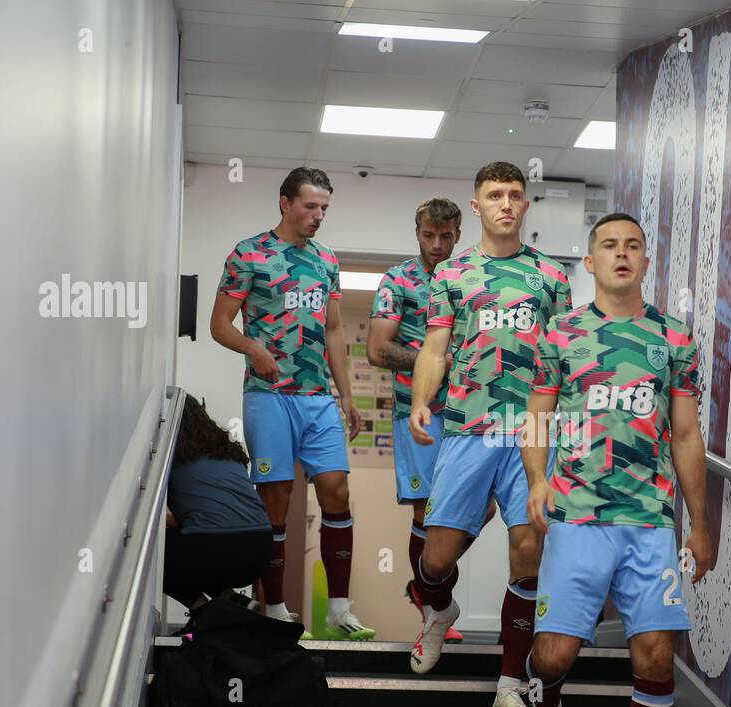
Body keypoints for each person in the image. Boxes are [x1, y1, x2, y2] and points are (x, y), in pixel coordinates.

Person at [517, 212, 713, 707]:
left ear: (646, 263)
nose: (621, 254)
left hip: (648, 525)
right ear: (591, 262)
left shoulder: (674, 339)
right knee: (554, 657)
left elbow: (684, 434)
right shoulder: (559, 333)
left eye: (633, 246)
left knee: (657, 658)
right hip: (577, 517)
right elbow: (538, 418)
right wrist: (539, 482)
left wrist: (699, 525)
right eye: (609, 245)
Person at [407, 161, 572, 707]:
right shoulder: (452, 274)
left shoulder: (551, 277)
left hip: (532, 430)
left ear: (526, 206)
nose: (506, 203)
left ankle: (509, 684)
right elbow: (434, 348)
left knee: (528, 557)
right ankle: (437, 609)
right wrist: (421, 400)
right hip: (470, 428)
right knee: (436, 557)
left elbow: (563, 357)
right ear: (476, 206)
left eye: (516, 195)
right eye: (495, 195)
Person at [210, 167, 375, 641]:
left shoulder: (326, 260)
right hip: (269, 397)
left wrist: (347, 394)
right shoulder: (249, 254)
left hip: (319, 397)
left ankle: (339, 609)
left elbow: (334, 329)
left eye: (324, 207)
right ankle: (275, 606)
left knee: (337, 491)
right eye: (310, 205)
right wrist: (255, 349)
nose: (318, 215)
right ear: (284, 203)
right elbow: (220, 324)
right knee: (276, 502)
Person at [367, 197, 492, 642]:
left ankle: (423, 584)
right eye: (428, 235)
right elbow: (378, 350)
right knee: (428, 512)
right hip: (417, 412)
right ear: (416, 232)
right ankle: (435, 608)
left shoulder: (471, 277)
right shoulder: (398, 279)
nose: (436, 245)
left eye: (445, 236)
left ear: (459, 235)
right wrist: (434, 363)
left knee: (485, 507)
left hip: (473, 414)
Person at [163, 398, 272, 617]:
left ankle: (204, 612)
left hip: (215, 548)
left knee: (159, 552)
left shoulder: (172, 456)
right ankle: (232, 599)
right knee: (202, 547)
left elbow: (166, 519)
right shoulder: (227, 452)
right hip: (262, 549)